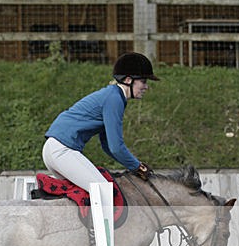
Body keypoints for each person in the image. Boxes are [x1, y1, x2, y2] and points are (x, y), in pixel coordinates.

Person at [42, 52, 158, 191]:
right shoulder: (114, 99)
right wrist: (137, 166)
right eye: (143, 81)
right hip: (63, 151)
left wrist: (133, 165)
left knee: (90, 194)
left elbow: (108, 146)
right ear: (128, 80)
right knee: (102, 190)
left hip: (53, 149)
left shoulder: (113, 95)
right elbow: (116, 147)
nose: (146, 87)